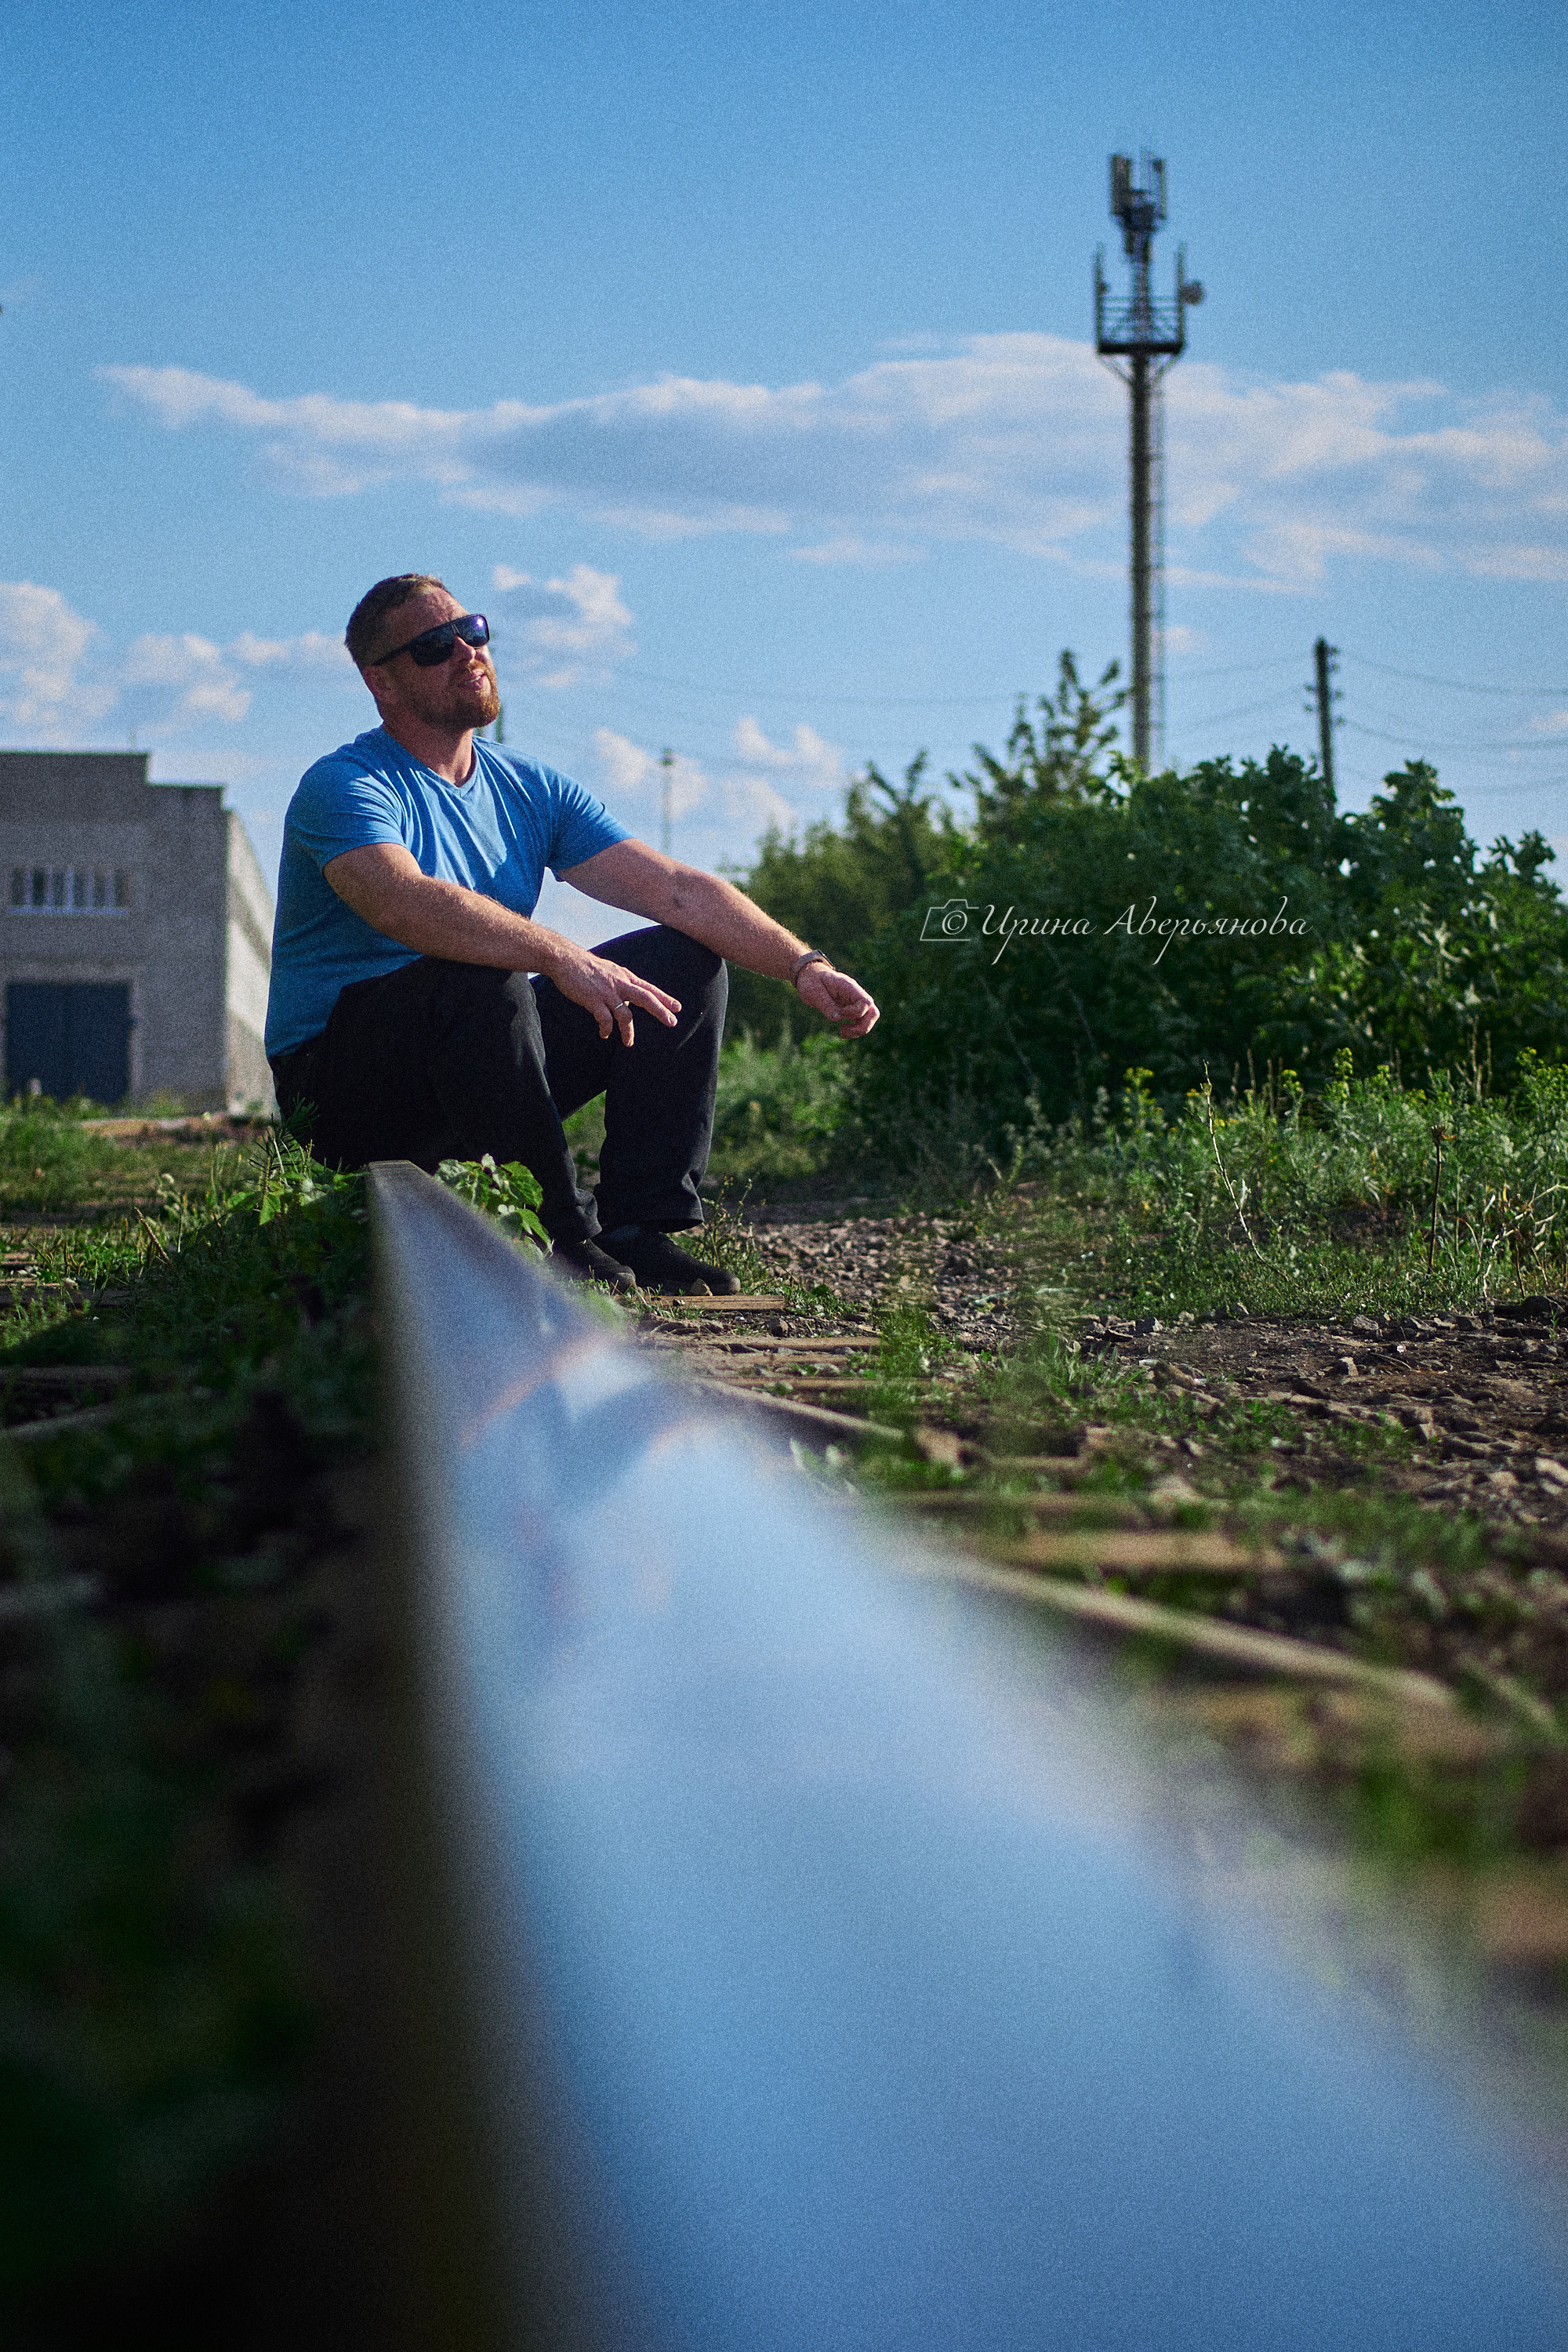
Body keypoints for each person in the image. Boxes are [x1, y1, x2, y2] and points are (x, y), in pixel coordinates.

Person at [264, 572, 880, 1294]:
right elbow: (403, 903)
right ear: (383, 684)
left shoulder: (529, 787)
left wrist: (804, 966)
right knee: (483, 977)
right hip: (344, 1091)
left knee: (682, 962)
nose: (467, 652)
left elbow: (677, 892)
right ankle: (562, 1236)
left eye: (475, 631)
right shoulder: (346, 785)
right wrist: (559, 955)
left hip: (475, 1066)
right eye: (435, 646)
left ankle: (639, 1228)